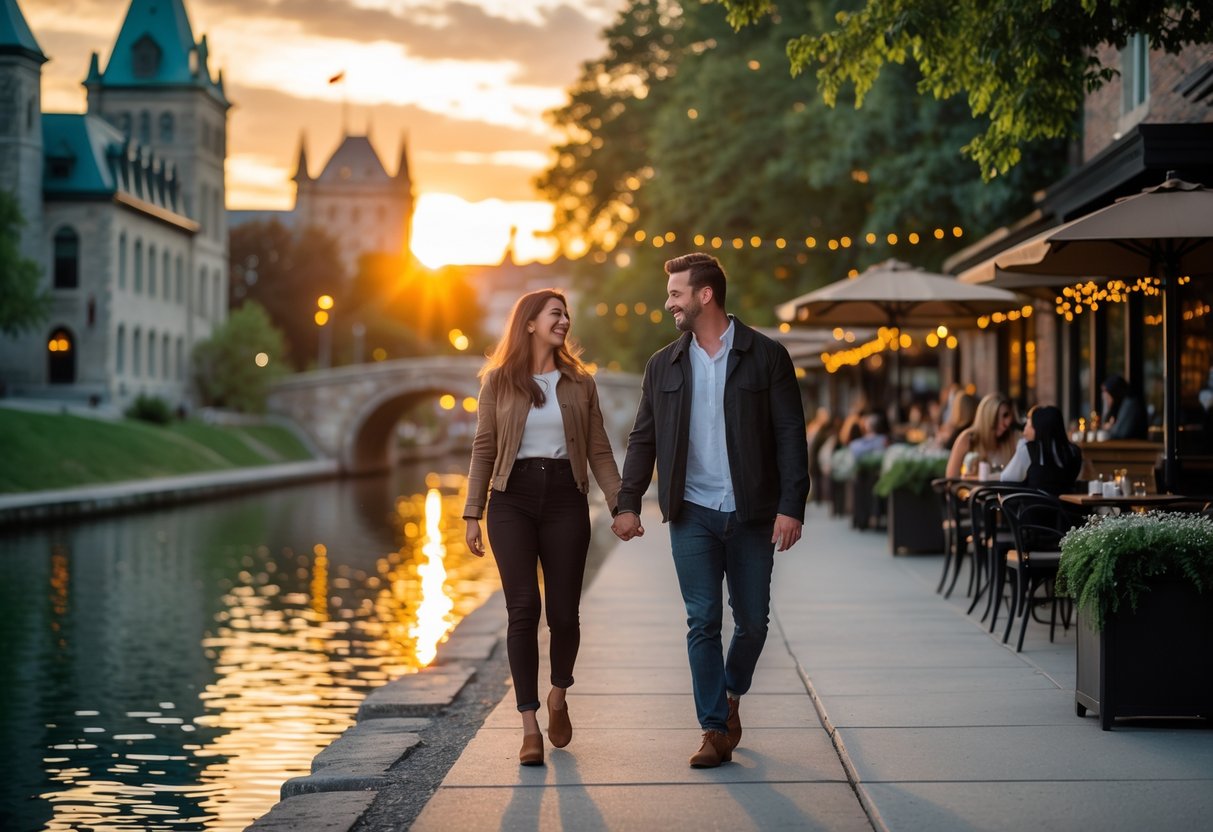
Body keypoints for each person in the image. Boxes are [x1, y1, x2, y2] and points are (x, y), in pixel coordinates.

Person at [610, 253, 810, 768]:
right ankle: (713, 729)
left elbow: (791, 434)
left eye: (676, 293)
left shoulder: (766, 356)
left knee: (753, 623)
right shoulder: (663, 365)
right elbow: (643, 438)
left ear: (705, 295)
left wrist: (792, 505)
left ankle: (732, 693)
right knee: (702, 621)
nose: (668, 302)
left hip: (752, 513)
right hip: (691, 511)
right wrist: (627, 502)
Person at [463, 289, 621, 766]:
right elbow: (484, 449)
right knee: (523, 609)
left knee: (564, 613)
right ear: (529, 322)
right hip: (511, 500)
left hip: (564, 499)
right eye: (556, 313)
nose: (565, 320)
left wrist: (621, 505)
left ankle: (558, 694)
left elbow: (598, 450)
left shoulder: (579, 382)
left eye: (567, 313)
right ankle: (529, 724)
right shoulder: (498, 381)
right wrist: (472, 513)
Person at [1000, 405, 1083, 495]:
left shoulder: (1028, 450)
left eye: (1028, 425)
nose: (1024, 431)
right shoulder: (1074, 452)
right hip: (1066, 507)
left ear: (1039, 429)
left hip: (1034, 507)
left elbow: (1006, 479)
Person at [945, 392, 1019, 479]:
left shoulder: (1012, 440)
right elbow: (951, 479)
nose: (1005, 423)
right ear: (986, 419)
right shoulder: (968, 438)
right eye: (995, 417)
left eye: (1006, 415)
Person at [1101, 374, 1148, 440]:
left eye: (1108, 398)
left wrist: (1110, 428)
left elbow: (1119, 434)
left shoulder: (1130, 404)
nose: (1107, 402)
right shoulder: (1122, 405)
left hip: (1134, 447)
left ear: (1114, 394)